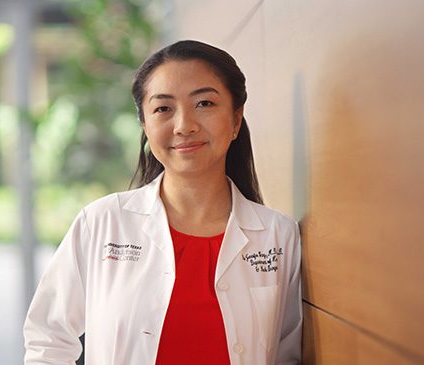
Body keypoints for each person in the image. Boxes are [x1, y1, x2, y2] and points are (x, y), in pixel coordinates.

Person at [24, 40, 302, 365]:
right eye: (163, 109)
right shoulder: (102, 222)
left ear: (236, 119)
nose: (184, 125)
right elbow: (47, 339)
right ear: (145, 123)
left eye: (205, 104)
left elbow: (288, 355)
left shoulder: (278, 236)